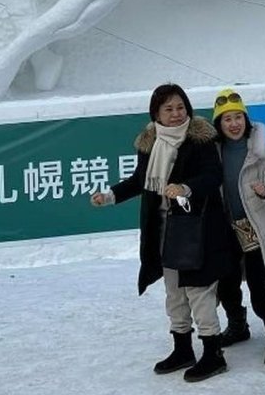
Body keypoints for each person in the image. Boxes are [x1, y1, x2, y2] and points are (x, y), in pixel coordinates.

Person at [91, 84, 233, 382]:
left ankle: (213, 353)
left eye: (180, 107)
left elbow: (212, 176)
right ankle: (183, 348)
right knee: (174, 292)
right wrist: (110, 195)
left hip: (198, 229)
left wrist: (185, 188)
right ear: (155, 113)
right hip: (164, 230)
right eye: (168, 109)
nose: (176, 114)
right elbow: (140, 180)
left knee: (199, 291)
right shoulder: (150, 142)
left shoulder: (201, 139)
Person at [211, 89, 265, 365]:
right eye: (227, 119)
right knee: (226, 284)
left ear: (246, 120)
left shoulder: (262, 153)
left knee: (259, 285)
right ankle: (238, 326)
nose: (234, 124)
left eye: (238, 117)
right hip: (226, 230)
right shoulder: (213, 153)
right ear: (219, 124)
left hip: (256, 229)